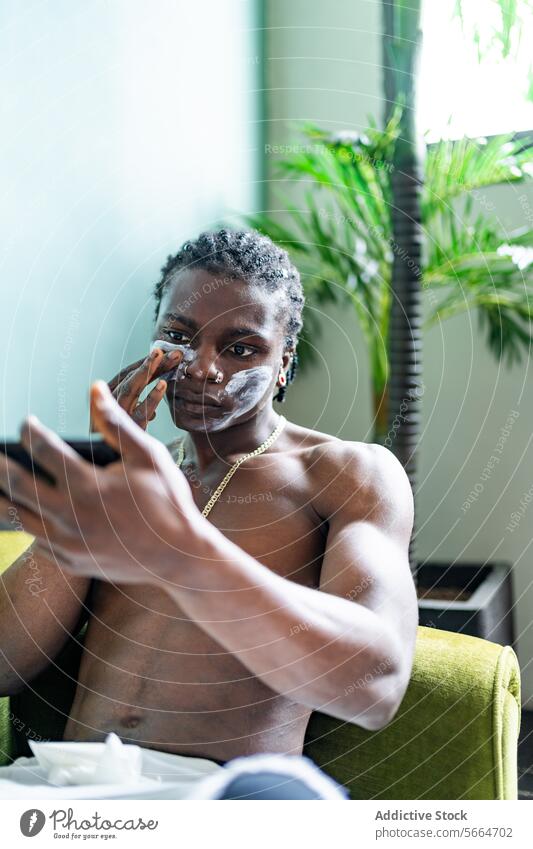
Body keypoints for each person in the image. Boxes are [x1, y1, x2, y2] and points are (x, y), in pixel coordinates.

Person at [0, 229, 418, 799]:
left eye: (241, 348)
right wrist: (88, 503)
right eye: (178, 337)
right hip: (66, 786)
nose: (200, 369)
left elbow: (376, 682)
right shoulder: (124, 480)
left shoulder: (344, 473)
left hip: (226, 796)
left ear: (284, 364)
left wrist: (179, 549)